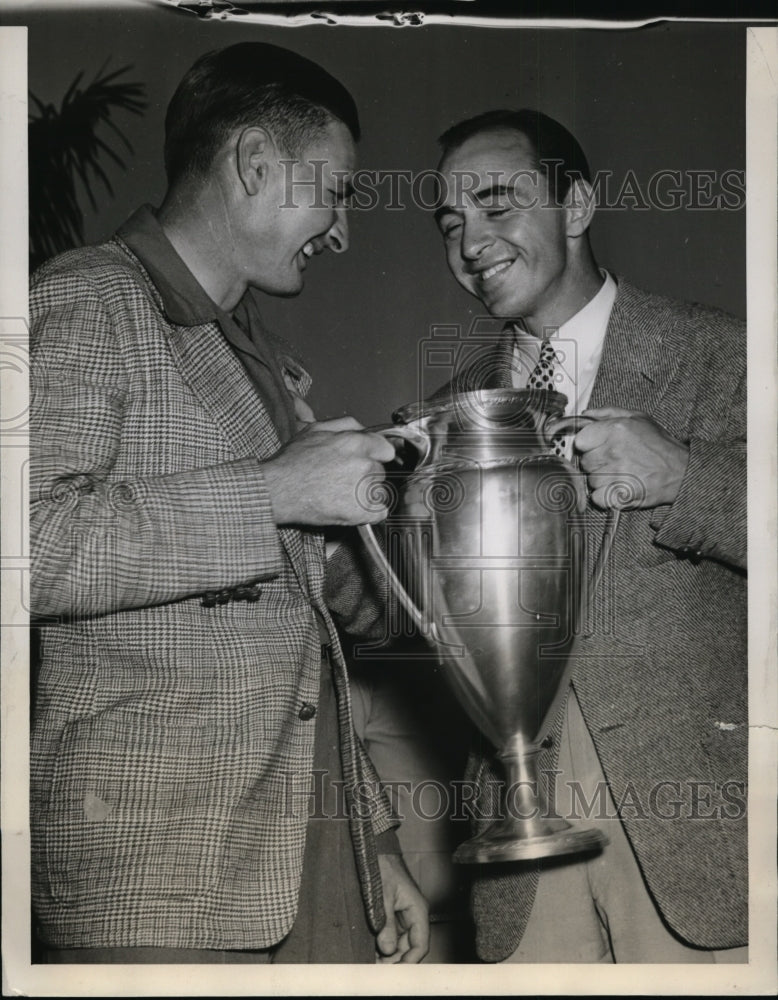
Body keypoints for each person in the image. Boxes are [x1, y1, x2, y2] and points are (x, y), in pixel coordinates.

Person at [29, 41, 429, 964]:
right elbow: (32, 543)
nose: (340, 229)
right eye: (335, 190)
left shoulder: (252, 353)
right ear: (254, 161)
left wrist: (372, 849)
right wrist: (277, 490)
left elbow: (303, 641)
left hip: (293, 856)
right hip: (150, 872)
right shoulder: (86, 304)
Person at [430, 108, 747, 963]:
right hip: (518, 855)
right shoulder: (444, 414)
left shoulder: (729, 355)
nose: (471, 242)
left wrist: (687, 474)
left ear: (577, 206)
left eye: (498, 206)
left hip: (698, 834)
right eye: (452, 222)